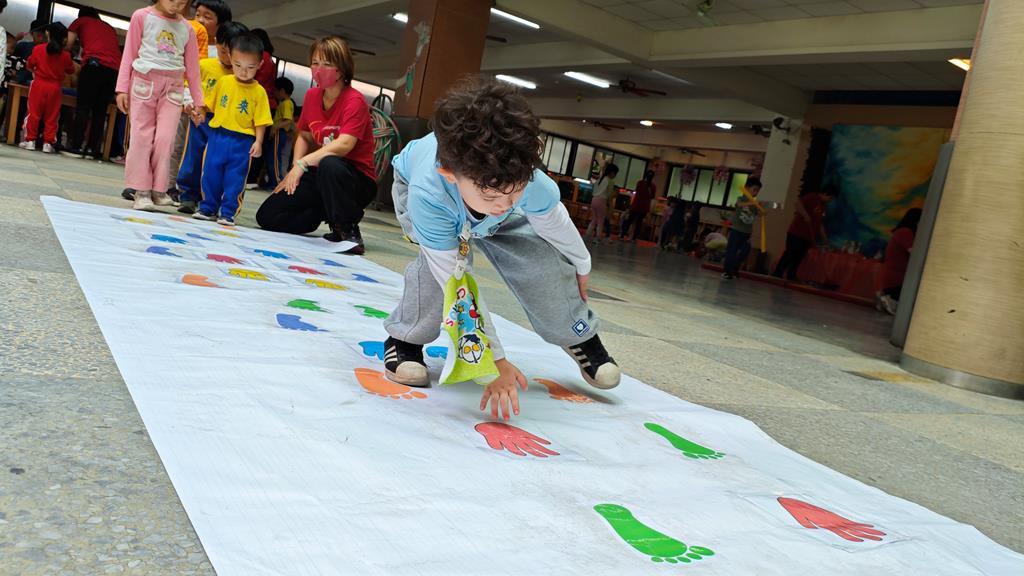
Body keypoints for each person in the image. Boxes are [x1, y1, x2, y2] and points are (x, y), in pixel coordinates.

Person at [383, 77, 621, 421]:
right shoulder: (429, 194)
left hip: (488, 187)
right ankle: (406, 338)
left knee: (541, 261)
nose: (502, 204)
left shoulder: (519, 180)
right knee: (439, 275)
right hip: (434, 203)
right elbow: (455, 282)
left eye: (516, 191)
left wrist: (581, 264)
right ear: (450, 174)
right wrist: (494, 359)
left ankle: (575, 332)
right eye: (493, 195)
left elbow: (553, 222)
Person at [256, 36, 376, 254]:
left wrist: (304, 163)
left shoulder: (354, 100)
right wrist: (296, 168)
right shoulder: (312, 96)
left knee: (330, 162)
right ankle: (323, 213)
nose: (319, 70)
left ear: (342, 69)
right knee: (267, 216)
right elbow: (304, 135)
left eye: (327, 64)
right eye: (315, 63)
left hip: (354, 180)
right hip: (320, 175)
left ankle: (347, 229)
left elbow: (345, 144)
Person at [115, 0, 205, 211]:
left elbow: (193, 70)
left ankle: (158, 189)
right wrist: (122, 89)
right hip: (144, 81)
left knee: (166, 139)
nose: (176, 4)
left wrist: (199, 102)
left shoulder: (188, 29)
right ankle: (141, 191)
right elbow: (129, 55)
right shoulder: (141, 16)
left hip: (173, 87)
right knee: (141, 137)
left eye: (182, 1)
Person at [192, 33, 271, 225]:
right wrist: (200, 112)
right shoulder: (224, 82)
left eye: (250, 67)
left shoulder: (259, 92)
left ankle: (228, 212)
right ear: (230, 58)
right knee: (210, 173)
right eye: (238, 65)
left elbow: (261, 120)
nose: (243, 72)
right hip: (217, 136)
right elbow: (209, 104)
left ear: (260, 64)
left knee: (235, 178)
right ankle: (207, 207)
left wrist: (259, 141)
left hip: (242, 141)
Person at [175, 21, 248, 214]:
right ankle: (188, 196)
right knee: (193, 157)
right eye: (224, 51)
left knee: (217, 164)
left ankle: (212, 200)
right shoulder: (204, 66)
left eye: (233, 53)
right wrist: (190, 104)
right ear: (217, 43)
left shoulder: (241, 75)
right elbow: (188, 87)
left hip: (226, 124)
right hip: (202, 119)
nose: (228, 58)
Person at [163, 0, 229, 201]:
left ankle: (185, 189)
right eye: (197, 14)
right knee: (171, 143)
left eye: (207, 17)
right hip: (179, 98)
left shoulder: (220, 54)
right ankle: (164, 185)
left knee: (191, 151)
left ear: (221, 25)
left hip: (203, 111)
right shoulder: (184, 39)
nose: (199, 20)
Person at [63, 8, 122, 159]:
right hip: (114, 70)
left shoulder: (80, 21)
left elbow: (67, 45)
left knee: (83, 107)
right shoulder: (108, 27)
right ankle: (91, 150)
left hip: (93, 65)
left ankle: (76, 147)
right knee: (100, 110)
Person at [19, 23, 75, 154]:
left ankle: (30, 141)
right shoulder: (66, 55)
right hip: (55, 88)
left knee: (33, 114)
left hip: (38, 85)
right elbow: (71, 70)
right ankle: (47, 143)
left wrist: (34, 70)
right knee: (52, 116)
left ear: (47, 34)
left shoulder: (38, 49)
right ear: (64, 38)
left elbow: (29, 64)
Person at [773, 187, 836, 281]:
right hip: (796, 232)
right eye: (830, 198)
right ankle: (777, 273)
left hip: (808, 236)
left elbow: (820, 224)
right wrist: (805, 215)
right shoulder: (812, 197)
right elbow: (797, 203)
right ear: (826, 193)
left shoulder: (823, 206)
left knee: (799, 257)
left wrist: (825, 240)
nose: (830, 201)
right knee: (790, 253)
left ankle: (791, 275)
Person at [877, 208, 922, 315]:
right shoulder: (905, 232)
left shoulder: (901, 231)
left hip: (894, 276)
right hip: (897, 278)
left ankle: (886, 298)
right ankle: (888, 299)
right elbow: (914, 253)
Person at [721, 177, 763, 280]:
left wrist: (762, 210)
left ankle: (735, 269)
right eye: (754, 190)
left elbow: (759, 214)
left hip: (747, 233)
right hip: (736, 230)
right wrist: (752, 203)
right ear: (747, 188)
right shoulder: (741, 199)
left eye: (758, 191)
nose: (756, 193)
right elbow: (739, 204)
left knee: (745, 251)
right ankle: (727, 271)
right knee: (732, 251)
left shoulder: (754, 204)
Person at [264, 76, 295, 189]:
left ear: (282, 91)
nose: (274, 94)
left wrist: (274, 128)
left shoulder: (287, 103)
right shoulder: (284, 103)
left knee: (274, 158)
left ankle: (277, 181)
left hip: (279, 132)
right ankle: (272, 181)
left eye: (275, 91)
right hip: (278, 133)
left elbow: (288, 120)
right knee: (271, 157)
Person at [583, 162, 617, 244]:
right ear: (612, 172)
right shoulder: (610, 181)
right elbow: (609, 195)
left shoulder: (600, 178)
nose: (615, 175)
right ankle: (597, 238)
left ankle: (586, 236)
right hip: (602, 201)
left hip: (594, 200)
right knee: (600, 221)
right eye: (615, 173)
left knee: (594, 220)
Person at [620, 169, 656, 242]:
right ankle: (634, 238)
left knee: (629, 221)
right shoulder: (653, 186)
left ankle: (622, 235)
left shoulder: (640, 183)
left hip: (636, 205)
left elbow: (637, 192)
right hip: (644, 207)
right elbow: (652, 196)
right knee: (638, 223)